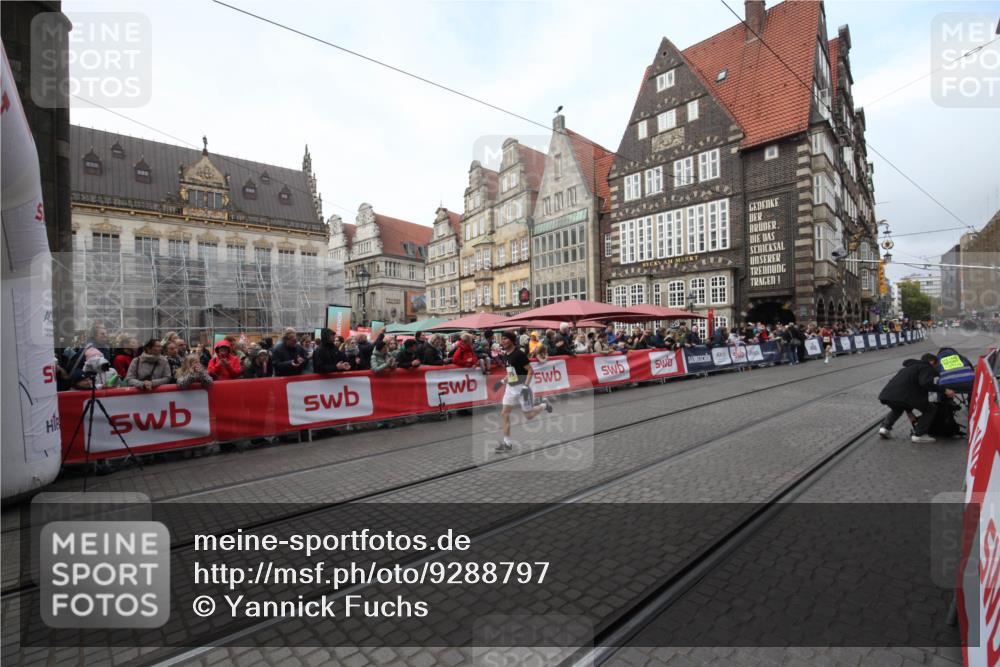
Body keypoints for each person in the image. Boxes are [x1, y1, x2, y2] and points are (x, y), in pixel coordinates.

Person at [495, 330, 553, 452]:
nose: (502, 341)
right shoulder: (506, 355)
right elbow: (511, 374)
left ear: (511, 340)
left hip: (522, 388)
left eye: (505, 339)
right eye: (502, 339)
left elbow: (530, 371)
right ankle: (507, 443)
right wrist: (500, 382)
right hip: (510, 389)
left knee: (529, 416)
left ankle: (544, 404)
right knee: (504, 413)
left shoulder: (519, 354)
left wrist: (526, 387)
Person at [878, 352, 955, 443]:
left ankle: (884, 428)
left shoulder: (907, 369)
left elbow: (905, 393)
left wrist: (909, 412)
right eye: (937, 365)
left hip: (887, 394)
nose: (936, 367)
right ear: (932, 362)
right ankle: (919, 434)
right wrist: (945, 390)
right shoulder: (926, 367)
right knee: (930, 408)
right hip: (903, 396)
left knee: (897, 408)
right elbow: (925, 383)